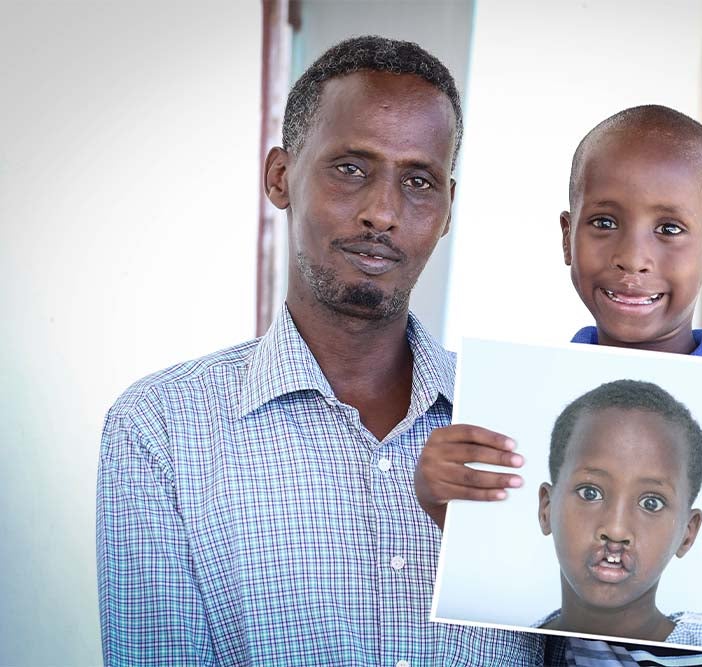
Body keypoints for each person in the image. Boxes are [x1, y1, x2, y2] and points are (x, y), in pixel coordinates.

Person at [97, 35, 543, 666]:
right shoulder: (161, 430)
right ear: (281, 177)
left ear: (446, 211)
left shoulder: (521, 425)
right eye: (351, 168)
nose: (384, 212)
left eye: (419, 181)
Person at [415, 105, 702, 667]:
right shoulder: (524, 404)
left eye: (670, 229)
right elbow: (504, 569)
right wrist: (440, 503)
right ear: (566, 236)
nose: (633, 257)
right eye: (604, 222)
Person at [534, 379, 702, 652]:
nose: (615, 530)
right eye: (590, 493)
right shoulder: (504, 645)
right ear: (546, 508)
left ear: (688, 533)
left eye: (651, 503)